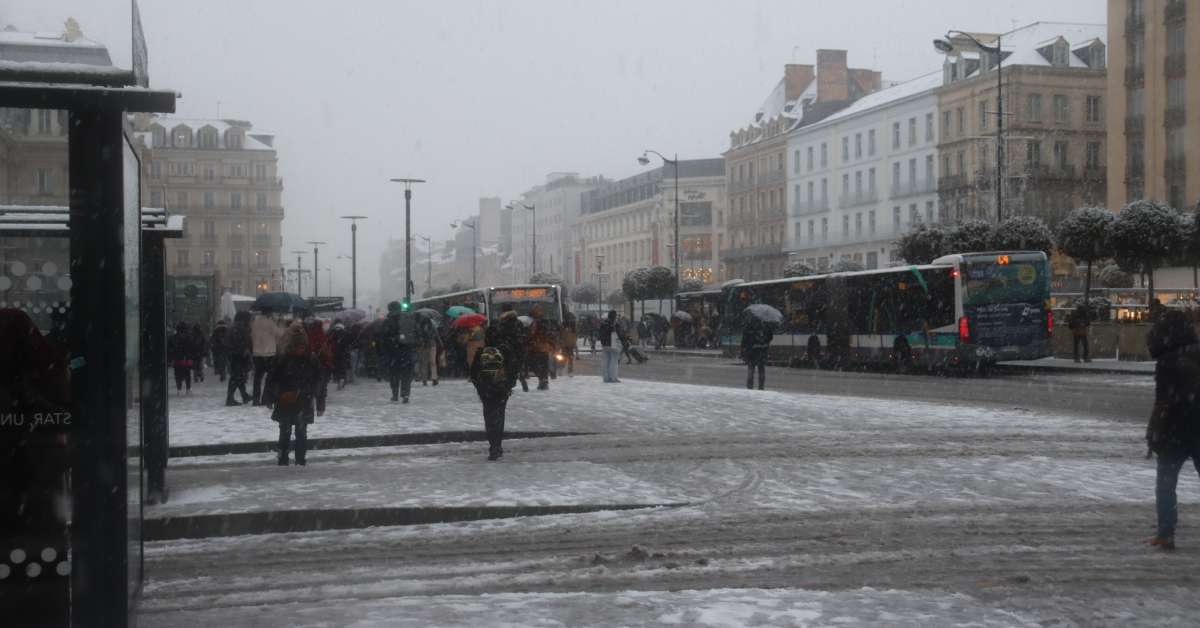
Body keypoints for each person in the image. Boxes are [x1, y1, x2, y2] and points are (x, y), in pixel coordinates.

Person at [1145, 310, 1200, 550]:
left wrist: (1154, 433)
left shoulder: (1167, 361)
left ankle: (1166, 533)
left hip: (1175, 430)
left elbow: (1163, 402)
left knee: (1166, 484)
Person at [263, 322, 320, 466]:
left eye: (302, 347)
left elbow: (319, 380)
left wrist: (317, 398)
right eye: (298, 347)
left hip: (303, 400)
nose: (300, 350)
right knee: (285, 431)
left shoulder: (310, 359)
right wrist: (270, 397)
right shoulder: (283, 359)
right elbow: (271, 379)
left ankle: (300, 460)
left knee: (301, 432)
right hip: (286, 400)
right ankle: (283, 459)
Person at [470, 326, 517, 461]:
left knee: (489, 417)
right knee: (499, 416)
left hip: (486, 390)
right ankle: (497, 444)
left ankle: (492, 445)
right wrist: (508, 386)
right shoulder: (505, 351)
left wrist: (480, 388)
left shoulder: (481, 352)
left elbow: (473, 373)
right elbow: (513, 370)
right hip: (501, 390)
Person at [381, 301, 417, 403]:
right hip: (407, 351)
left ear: (390, 309)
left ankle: (395, 394)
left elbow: (383, 338)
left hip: (393, 352)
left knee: (394, 374)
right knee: (406, 374)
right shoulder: (408, 318)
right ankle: (405, 394)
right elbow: (415, 333)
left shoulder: (388, 321)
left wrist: (385, 351)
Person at [251, 308, 282, 405]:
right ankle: (265, 398)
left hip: (257, 353)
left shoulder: (255, 322)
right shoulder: (270, 322)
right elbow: (279, 334)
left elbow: (252, 335)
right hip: (269, 353)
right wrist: (279, 324)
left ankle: (256, 399)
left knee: (257, 377)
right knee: (270, 377)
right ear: (269, 312)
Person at [496, 305, 529, 392]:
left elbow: (500, 335)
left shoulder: (503, 323)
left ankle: (509, 385)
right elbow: (523, 335)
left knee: (508, 368)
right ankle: (523, 382)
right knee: (517, 367)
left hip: (507, 348)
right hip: (519, 348)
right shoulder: (518, 322)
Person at [225, 311, 254, 406]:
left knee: (238, 377)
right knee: (236, 377)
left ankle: (243, 395)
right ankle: (230, 399)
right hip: (239, 355)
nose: (250, 321)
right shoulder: (242, 328)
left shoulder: (233, 327)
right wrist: (246, 349)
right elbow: (245, 341)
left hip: (233, 355)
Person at [306, 319, 333, 416]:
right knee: (322, 389)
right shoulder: (324, 337)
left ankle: (309, 408)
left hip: (311, 367)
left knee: (310, 388)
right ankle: (320, 410)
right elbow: (329, 355)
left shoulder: (309, 337)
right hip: (323, 366)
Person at [527, 304, 555, 390]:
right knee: (543, 365)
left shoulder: (536, 322)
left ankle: (543, 380)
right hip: (542, 347)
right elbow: (549, 334)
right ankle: (543, 380)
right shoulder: (541, 322)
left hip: (537, 347)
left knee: (535, 364)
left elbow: (532, 334)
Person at [741, 318, 773, 390]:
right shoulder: (765, 326)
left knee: (751, 370)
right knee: (761, 370)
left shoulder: (749, 326)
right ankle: (761, 387)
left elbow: (744, 340)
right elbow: (770, 337)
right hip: (762, 351)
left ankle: (750, 386)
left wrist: (744, 350)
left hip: (752, 352)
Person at [167, 321, 195, 395]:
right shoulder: (189, 337)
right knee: (187, 374)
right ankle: (187, 389)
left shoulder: (173, 338)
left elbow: (169, 349)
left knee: (178, 375)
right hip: (185, 359)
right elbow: (192, 348)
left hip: (178, 359)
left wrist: (170, 359)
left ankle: (179, 389)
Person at [598, 310, 626, 383]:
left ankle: (606, 377)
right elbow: (620, 334)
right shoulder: (615, 324)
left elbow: (600, 334)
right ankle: (613, 377)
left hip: (605, 344)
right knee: (614, 361)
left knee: (605, 361)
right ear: (614, 316)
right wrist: (623, 342)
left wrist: (603, 342)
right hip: (613, 344)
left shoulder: (603, 323)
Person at [559, 312, 578, 377]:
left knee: (566, 358)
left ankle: (563, 370)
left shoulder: (564, 326)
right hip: (568, 344)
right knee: (569, 358)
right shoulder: (572, 327)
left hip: (566, 344)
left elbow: (574, 336)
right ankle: (568, 371)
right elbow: (574, 336)